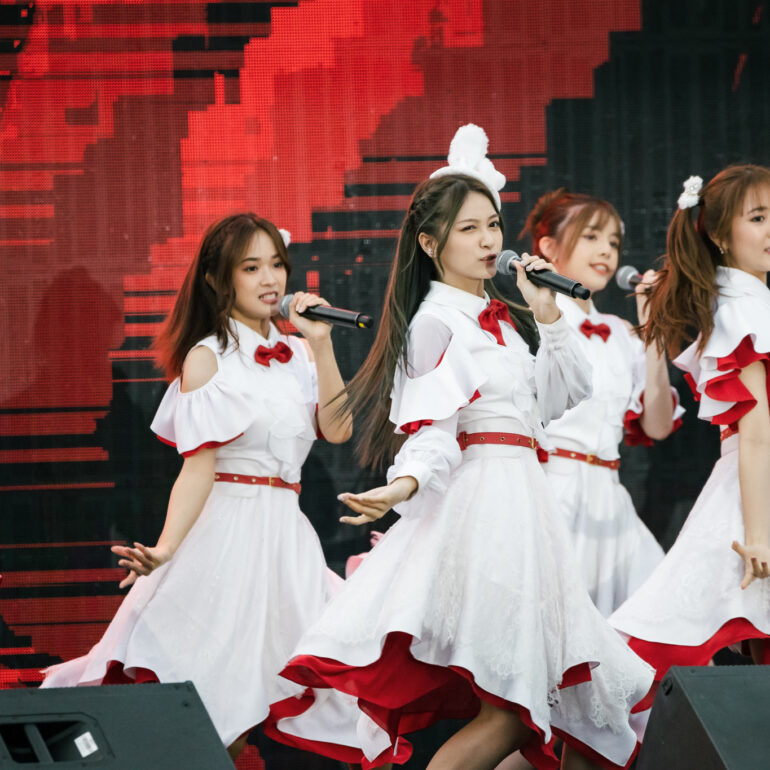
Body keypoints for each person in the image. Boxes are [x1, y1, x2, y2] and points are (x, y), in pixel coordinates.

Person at [272, 125, 654, 770]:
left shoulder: (502, 320)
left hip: (527, 508)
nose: (488, 241)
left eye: (493, 226)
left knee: (567, 708)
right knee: (513, 709)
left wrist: (548, 313)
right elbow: (433, 433)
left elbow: (562, 396)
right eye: (469, 228)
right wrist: (401, 487)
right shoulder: (435, 322)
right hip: (489, 514)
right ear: (430, 243)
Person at [40, 213, 361, 760]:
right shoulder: (207, 356)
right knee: (218, 712)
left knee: (326, 690)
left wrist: (323, 345)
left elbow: (338, 429)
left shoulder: (301, 354)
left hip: (286, 539)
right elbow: (197, 468)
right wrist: (166, 549)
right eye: (251, 267)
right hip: (227, 537)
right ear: (218, 278)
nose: (270, 279)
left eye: (276, 265)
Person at [609, 165, 770, 707]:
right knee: (650, 654)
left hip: (750, 495)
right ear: (720, 235)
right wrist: (759, 535)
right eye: (758, 218)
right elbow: (756, 434)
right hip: (752, 499)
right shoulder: (744, 309)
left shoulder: (749, 303)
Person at [519, 189, 682, 617]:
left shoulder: (621, 331)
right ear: (548, 246)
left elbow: (658, 426)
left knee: (647, 618)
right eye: (592, 236)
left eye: (613, 242)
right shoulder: (529, 321)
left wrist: (652, 334)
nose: (607, 251)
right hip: (552, 490)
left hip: (609, 496)